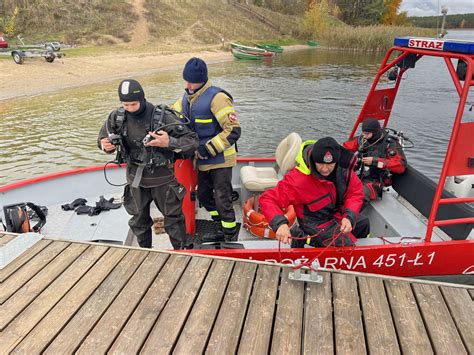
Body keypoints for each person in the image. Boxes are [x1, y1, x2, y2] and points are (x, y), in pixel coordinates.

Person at [98, 79, 198, 249]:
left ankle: (180, 253)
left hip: (163, 180)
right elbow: (102, 138)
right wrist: (104, 145)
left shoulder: (162, 116)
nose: (129, 108)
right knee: (138, 221)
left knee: (174, 220)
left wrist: (169, 142)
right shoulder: (117, 117)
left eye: (133, 104)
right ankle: (145, 253)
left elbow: (192, 141)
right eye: (125, 104)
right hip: (135, 179)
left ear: (142, 99)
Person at [172, 57, 241, 242]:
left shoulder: (218, 98)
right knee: (203, 194)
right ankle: (219, 222)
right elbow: (172, 117)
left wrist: (208, 149)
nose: (187, 84)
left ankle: (230, 233)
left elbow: (233, 130)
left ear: (202, 80)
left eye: (191, 81)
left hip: (221, 160)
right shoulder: (185, 99)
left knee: (222, 197)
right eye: (185, 80)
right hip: (201, 160)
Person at [260, 137, 370, 248]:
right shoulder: (298, 179)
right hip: (315, 223)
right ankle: (303, 237)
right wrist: (280, 224)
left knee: (363, 223)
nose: (325, 169)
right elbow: (268, 199)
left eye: (330, 164)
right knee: (344, 245)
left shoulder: (344, 169)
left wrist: (349, 217)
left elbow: (355, 193)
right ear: (313, 159)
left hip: (337, 215)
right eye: (320, 164)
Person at [343, 118, 407, 203]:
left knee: (360, 194)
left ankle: (348, 215)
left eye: (367, 134)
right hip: (359, 176)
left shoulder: (389, 144)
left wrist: (375, 161)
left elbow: (400, 166)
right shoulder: (362, 139)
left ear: (375, 132)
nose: (364, 136)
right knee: (339, 185)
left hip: (376, 182)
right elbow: (344, 148)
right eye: (363, 133)